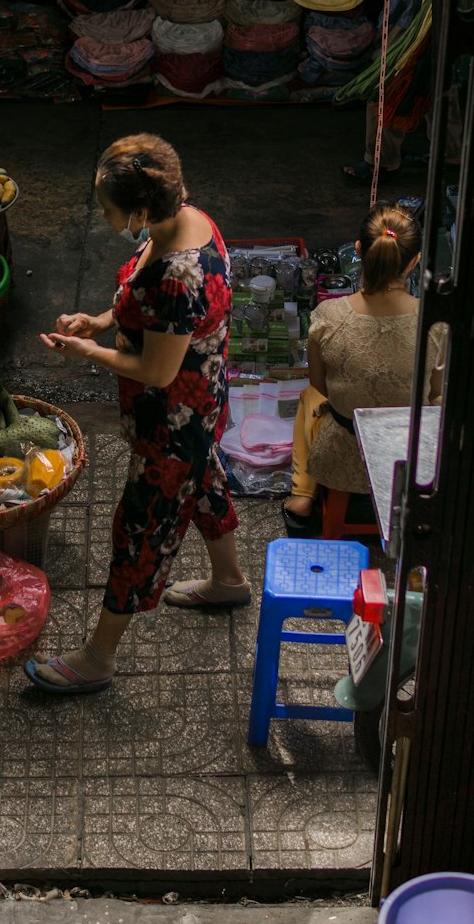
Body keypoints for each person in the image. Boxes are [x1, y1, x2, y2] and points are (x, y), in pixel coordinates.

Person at [25, 133, 250, 695]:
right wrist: (102, 322)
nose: (104, 216)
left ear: (142, 210)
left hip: (173, 420)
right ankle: (229, 580)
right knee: (203, 483)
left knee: (138, 530)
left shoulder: (180, 275)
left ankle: (98, 657)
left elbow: (156, 371)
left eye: (108, 209)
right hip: (201, 401)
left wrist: (89, 353)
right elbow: (145, 307)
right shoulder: (188, 219)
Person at [282, 204, 445, 538]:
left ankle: (301, 496)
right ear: (413, 262)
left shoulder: (328, 316)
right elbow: (433, 392)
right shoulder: (435, 322)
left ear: (359, 251)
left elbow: (321, 387)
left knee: (308, 398)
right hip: (411, 450)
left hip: (345, 450)